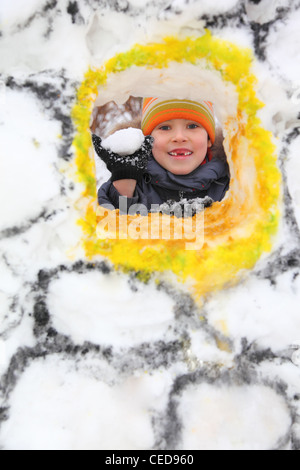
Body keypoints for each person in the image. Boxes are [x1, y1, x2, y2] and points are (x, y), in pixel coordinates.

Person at [92, 98, 230, 216]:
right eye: (165, 128)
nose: (179, 137)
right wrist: (124, 184)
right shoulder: (137, 185)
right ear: (147, 139)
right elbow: (109, 231)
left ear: (208, 139)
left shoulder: (232, 186)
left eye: (192, 126)